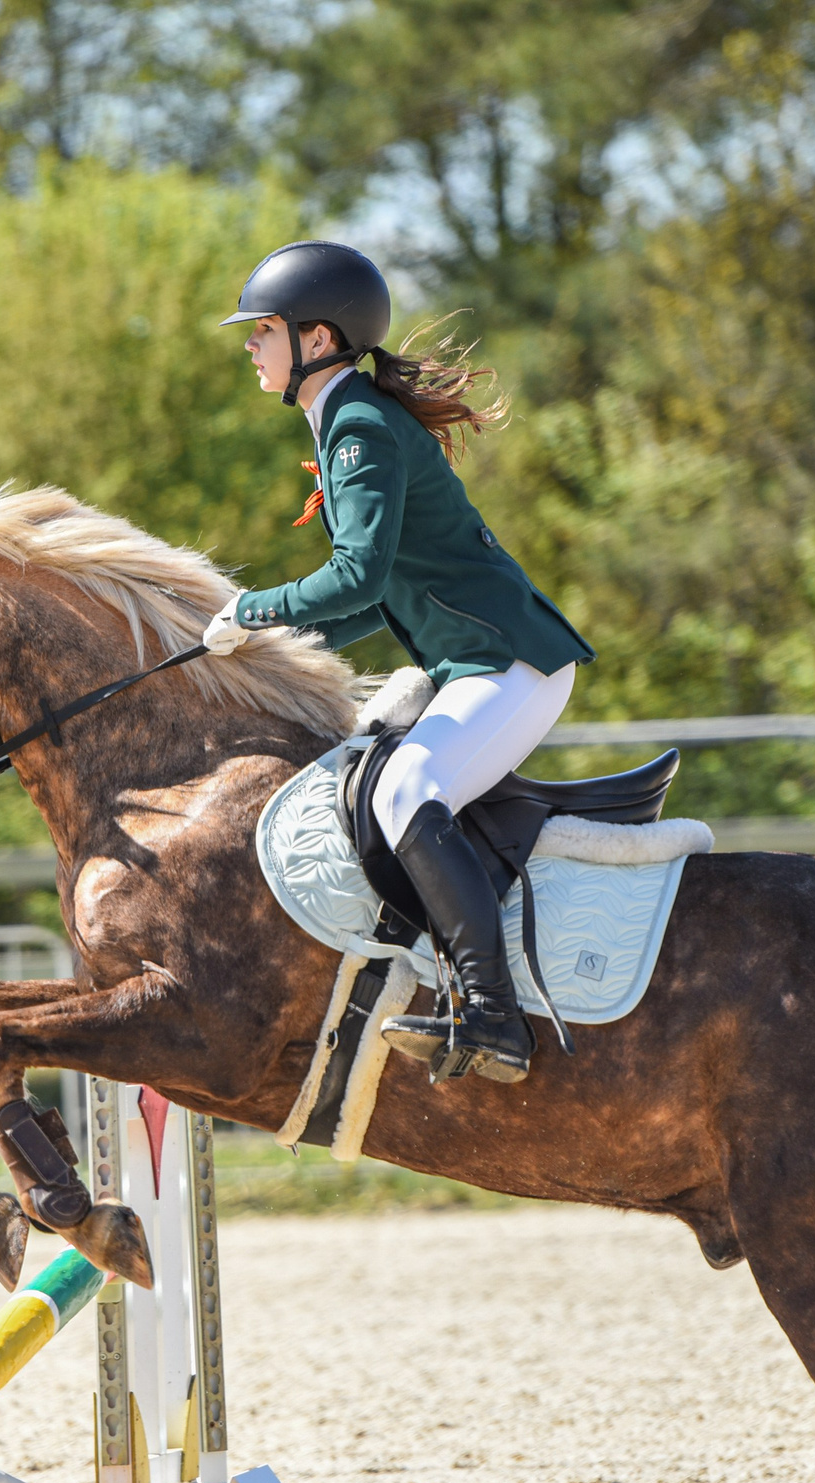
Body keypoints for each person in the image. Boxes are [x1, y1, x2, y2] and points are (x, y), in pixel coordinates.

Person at [200, 240, 594, 1086]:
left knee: (404, 788)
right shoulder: (348, 418)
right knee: (391, 784)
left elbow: (357, 576)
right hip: (482, 664)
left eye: (262, 329)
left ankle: (495, 1017)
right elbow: (379, 599)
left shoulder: (359, 427)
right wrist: (271, 652)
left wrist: (255, 609)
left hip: (510, 663)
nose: (249, 344)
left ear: (316, 339)